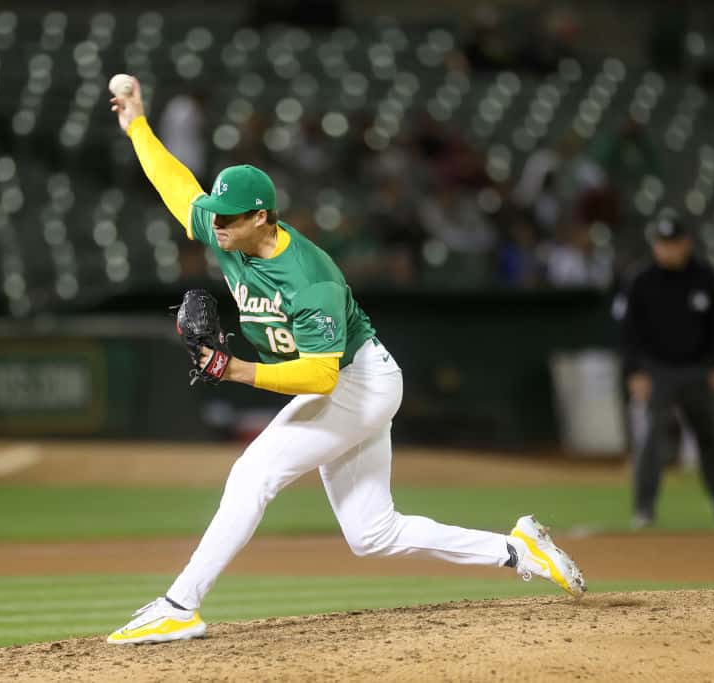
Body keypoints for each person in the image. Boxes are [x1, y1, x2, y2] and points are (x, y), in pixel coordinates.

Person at [105, 77, 587, 645]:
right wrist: (137, 122)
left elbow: (320, 376)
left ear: (261, 218)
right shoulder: (226, 230)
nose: (214, 225)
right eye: (215, 215)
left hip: (357, 382)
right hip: (348, 383)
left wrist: (233, 370)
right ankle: (516, 549)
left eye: (228, 218)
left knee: (253, 475)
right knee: (372, 533)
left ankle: (180, 603)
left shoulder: (311, 279)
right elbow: (175, 184)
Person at [619, 210, 714, 528]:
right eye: (662, 243)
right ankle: (644, 508)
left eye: (673, 242)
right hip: (658, 371)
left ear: (686, 243)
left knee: (709, 438)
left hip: (698, 369)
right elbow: (629, 332)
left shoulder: (705, 276)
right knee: (652, 442)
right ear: (655, 245)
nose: (668, 249)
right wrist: (635, 372)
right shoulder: (641, 280)